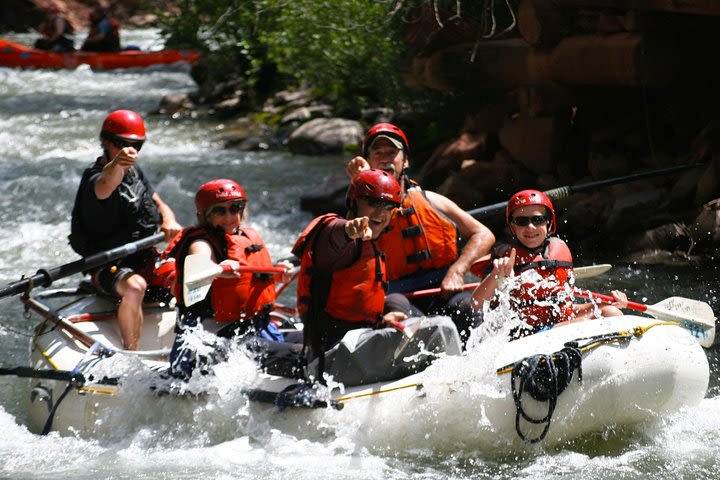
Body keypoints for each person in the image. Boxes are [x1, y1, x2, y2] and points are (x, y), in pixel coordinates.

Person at [292, 169, 462, 387]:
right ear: (354, 203)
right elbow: (334, 236)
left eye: (389, 206)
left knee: (398, 303)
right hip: (329, 359)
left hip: (353, 346)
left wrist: (383, 321)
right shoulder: (336, 237)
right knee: (441, 328)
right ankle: (458, 388)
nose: (381, 212)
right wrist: (348, 231)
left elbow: (357, 308)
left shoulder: (372, 246)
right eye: (372, 203)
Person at [346, 123, 496, 339]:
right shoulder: (360, 206)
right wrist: (359, 183)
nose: (385, 158)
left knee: (468, 309)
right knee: (414, 323)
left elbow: (484, 234)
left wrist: (458, 270)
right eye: (378, 153)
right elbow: (351, 244)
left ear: (405, 161)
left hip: (444, 288)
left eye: (392, 152)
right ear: (369, 162)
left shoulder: (431, 199)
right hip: (395, 295)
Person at [163, 179, 301, 380]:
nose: (229, 216)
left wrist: (277, 273)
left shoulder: (245, 236)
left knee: (321, 341)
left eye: (235, 208)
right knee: (302, 354)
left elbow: (252, 279)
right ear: (205, 215)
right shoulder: (201, 242)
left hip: (255, 327)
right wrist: (219, 269)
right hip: (217, 340)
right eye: (220, 211)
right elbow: (197, 270)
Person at [69, 109, 182, 350]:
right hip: (108, 264)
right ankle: (132, 354)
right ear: (105, 142)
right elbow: (106, 183)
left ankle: (187, 343)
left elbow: (156, 199)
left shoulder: (136, 173)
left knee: (184, 274)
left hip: (142, 256)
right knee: (135, 286)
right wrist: (117, 163)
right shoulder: (95, 179)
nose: (130, 150)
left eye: (136, 145)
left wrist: (169, 219)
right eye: (122, 144)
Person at [471, 189, 628, 336]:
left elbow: (564, 308)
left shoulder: (559, 250)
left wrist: (607, 303)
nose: (530, 227)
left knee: (611, 312)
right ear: (512, 226)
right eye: (521, 221)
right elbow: (476, 303)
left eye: (538, 220)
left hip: (557, 325)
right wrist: (496, 275)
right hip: (525, 334)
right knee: (607, 319)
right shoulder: (503, 258)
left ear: (549, 222)